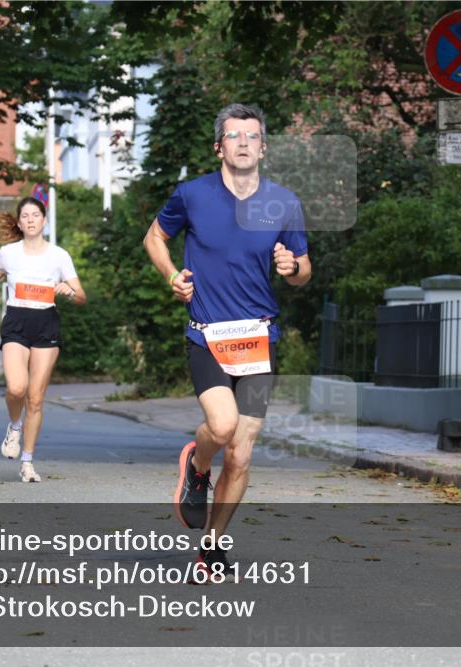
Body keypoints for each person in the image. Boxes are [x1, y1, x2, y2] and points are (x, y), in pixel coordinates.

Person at [143, 103, 311, 579]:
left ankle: (212, 547)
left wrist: (292, 268)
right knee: (220, 428)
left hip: (258, 338)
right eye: (233, 135)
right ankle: (197, 465)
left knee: (241, 451)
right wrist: (172, 274)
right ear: (219, 146)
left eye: (251, 136)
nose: (243, 142)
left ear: (263, 147)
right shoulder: (192, 195)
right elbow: (154, 237)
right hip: (208, 335)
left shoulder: (283, 203)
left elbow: (304, 270)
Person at [0, 197, 86, 483]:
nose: (31, 219)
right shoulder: (8, 253)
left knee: (35, 398)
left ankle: (27, 462)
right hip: (16, 322)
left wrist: (69, 291)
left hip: (46, 324)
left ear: (44, 221)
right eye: (25, 216)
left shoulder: (59, 256)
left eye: (36, 215)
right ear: (20, 222)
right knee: (16, 387)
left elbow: (81, 296)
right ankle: (14, 425)